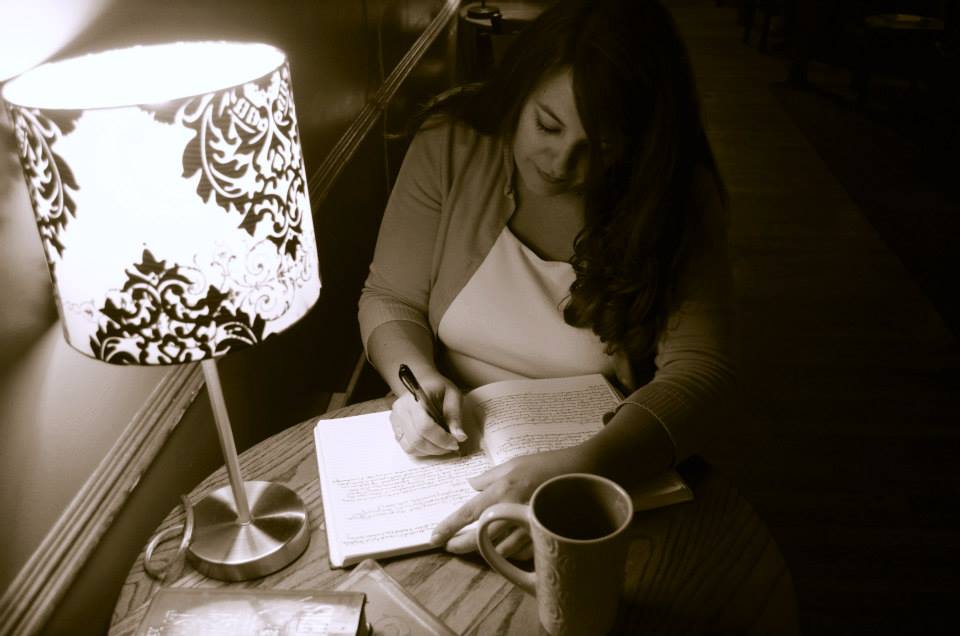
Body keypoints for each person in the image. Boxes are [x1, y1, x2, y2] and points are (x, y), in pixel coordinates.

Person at [358, 0, 735, 559]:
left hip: (609, 456)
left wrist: (581, 468)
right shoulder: (450, 146)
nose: (561, 163)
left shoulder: (673, 194)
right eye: (548, 125)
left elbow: (701, 372)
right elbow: (390, 298)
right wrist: (416, 381)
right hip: (460, 455)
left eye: (600, 148)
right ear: (520, 89)